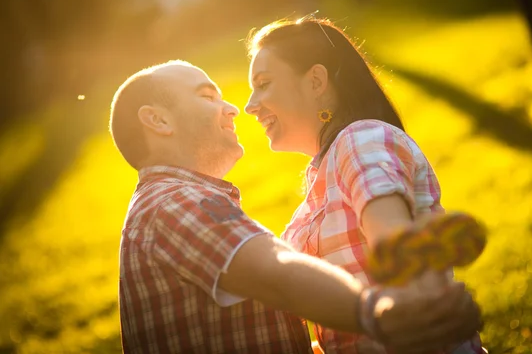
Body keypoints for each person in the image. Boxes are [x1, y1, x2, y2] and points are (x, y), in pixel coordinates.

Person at [109, 60, 482, 354]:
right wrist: (378, 313)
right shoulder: (173, 203)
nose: (233, 109)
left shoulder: (170, 203)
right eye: (208, 96)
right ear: (157, 120)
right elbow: (276, 271)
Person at [244, 17, 486, 353]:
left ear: (315, 81)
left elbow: (393, 243)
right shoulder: (320, 182)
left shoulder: (359, 140)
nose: (249, 105)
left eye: (264, 83)